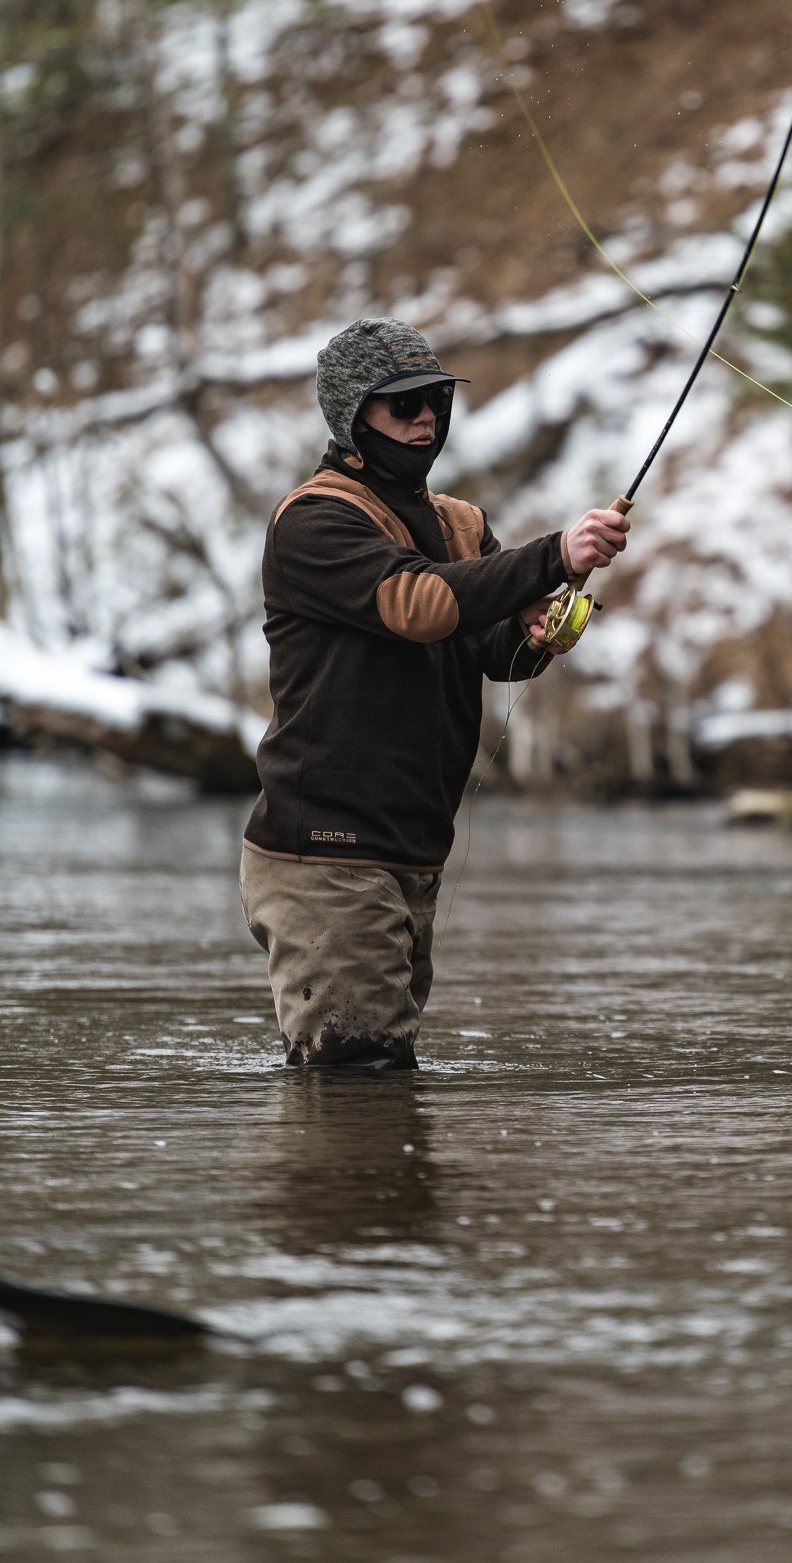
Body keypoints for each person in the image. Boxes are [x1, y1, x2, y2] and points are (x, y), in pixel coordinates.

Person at [239, 316, 629, 1071]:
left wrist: (539, 631)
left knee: (375, 1078)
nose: (426, 419)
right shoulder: (313, 521)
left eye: (436, 403)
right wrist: (552, 554)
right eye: (403, 405)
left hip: (412, 850)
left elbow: (492, 651)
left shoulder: (459, 523)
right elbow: (417, 606)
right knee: (357, 1078)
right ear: (353, 418)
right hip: (324, 854)